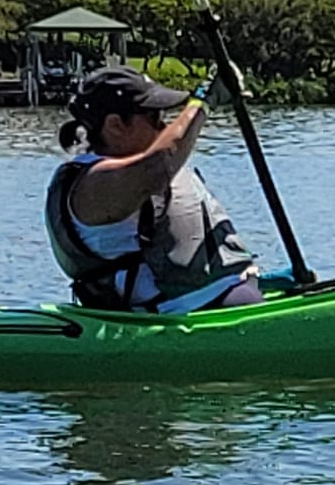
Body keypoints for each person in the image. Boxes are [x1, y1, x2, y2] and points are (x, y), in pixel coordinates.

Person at [45, 66, 265, 311]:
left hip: (216, 296)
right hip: (175, 316)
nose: (164, 127)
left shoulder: (129, 170)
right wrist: (203, 101)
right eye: (154, 117)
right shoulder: (94, 182)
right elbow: (158, 166)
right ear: (116, 125)